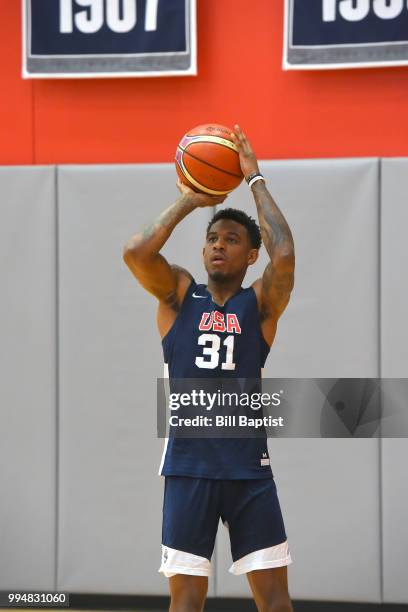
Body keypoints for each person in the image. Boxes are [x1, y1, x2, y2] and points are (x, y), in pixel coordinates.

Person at [123, 125, 295, 612]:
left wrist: (254, 178)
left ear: (250, 255)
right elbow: (136, 252)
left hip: (248, 472)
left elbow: (284, 255)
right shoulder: (179, 296)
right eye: (212, 238)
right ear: (203, 251)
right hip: (188, 470)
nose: (219, 245)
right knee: (186, 602)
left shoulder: (258, 305)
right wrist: (190, 201)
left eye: (233, 239)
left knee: (276, 602)